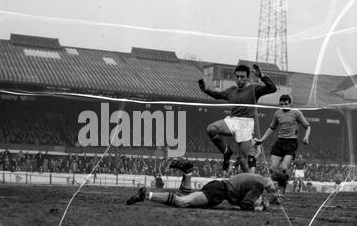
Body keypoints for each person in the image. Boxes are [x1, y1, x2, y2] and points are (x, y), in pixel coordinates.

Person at [198, 64, 277, 173]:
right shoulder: (232, 90)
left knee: (243, 161)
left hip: (246, 124)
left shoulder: (254, 88)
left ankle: (247, 183)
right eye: (237, 77)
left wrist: (261, 76)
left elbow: (273, 88)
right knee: (211, 129)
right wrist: (206, 90)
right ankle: (226, 152)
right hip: (233, 120)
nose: (239, 80)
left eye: (242, 77)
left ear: (247, 78)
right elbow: (218, 95)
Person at [126, 160, 288, 211]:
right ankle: (146, 195)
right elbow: (245, 204)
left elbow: (244, 196)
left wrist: (260, 200)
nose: (276, 192)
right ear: (274, 182)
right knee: (183, 202)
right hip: (218, 192)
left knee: (184, 198)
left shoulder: (258, 178)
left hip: (217, 187)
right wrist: (259, 207)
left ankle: (188, 173)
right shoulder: (259, 185)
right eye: (277, 189)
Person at [254, 95, 310, 182]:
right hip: (280, 142)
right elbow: (271, 128)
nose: (284, 106)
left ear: (290, 104)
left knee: (283, 168)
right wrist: (262, 140)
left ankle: (282, 186)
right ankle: (273, 188)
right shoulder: (277, 113)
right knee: (272, 168)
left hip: (291, 143)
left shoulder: (296, 113)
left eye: (286, 104)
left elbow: (308, 126)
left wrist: (306, 137)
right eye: (281, 104)